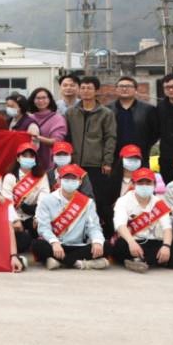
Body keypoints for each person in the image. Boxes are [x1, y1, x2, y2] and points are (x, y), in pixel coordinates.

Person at [65, 76, 118, 238]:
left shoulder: (106, 113)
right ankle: (79, 234)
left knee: (99, 200)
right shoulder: (71, 112)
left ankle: (106, 235)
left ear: (96, 91)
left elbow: (110, 138)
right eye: (83, 88)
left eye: (89, 88)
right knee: (76, 200)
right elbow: (67, 137)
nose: (85, 91)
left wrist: (107, 161)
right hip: (76, 164)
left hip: (97, 164)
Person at [31, 164, 106, 269]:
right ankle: (80, 263)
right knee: (37, 245)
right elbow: (43, 227)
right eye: (66, 178)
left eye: (73, 179)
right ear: (59, 180)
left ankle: (60, 261)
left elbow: (94, 227)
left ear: (80, 182)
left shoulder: (87, 202)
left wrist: (97, 242)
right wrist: (54, 242)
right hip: (56, 245)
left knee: (105, 245)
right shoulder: (47, 200)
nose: (70, 181)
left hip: (78, 245)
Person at [112, 168, 173, 272]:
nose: (144, 186)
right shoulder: (123, 201)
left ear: (154, 185)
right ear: (133, 184)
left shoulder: (159, 202)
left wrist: (166, 246)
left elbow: (167, 227)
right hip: (133, 241)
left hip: (154, 241)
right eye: (140, 183)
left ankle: (139, 260)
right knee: (119, 245)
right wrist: (131, 242)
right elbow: (120, 225)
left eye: (148, 183)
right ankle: (160, 260)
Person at [108, 76, 159, 172]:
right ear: (116, 89)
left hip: (140, 155)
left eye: (128, 86)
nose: (124, 89)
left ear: (135, 90)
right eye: (121, 86)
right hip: (115, 157)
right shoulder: (108, 109)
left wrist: (145, 145)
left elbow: (155, 132)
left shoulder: (148, 109)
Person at [26, 87, 67, 174]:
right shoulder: (28, 118)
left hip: (49, 164)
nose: (41, 101)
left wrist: (37, 137)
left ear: (50, 100)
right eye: (38, 98)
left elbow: (57, 142)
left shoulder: (58, 118)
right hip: (29, 162)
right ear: (33, 100)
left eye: (44, 98)